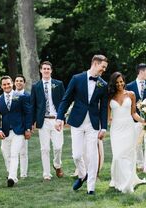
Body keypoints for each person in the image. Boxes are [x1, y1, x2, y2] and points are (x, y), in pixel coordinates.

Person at [56, 54, 108, 195]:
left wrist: (104, 127)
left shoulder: (103, 84)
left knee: (92, 154)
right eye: (103, 67)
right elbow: (66, 99)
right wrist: (59, 118)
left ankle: (91, 187)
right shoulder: (77, 79)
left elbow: (103, 107)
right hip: (77, 121)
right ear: (95, 64)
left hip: (93, 123)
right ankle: (83, 174)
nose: (104, 70)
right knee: (77, 155)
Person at [108, 72, 146, 193]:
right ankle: (119, 180)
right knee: (118, 156)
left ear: (124, 81)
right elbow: (108, 116)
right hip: (116, 128)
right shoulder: (110, 97)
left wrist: (143, 120)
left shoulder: (131, 94)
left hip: (129, 127)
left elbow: (133, 113)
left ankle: (127, 182)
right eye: (117, 82)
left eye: (121, 81)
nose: (120, 84)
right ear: (114, 84)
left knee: (128, 155)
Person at [0, 76, 32, 187]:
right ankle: (13, 175)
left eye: (8, 84)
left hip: (18, 130)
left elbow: (28, 113)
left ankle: (11, 177)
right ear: (1, 86)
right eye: (4, 84)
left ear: (12, 84)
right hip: (5, 132)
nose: (7, 86)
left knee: (14, 154)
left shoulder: (21, 97)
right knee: (6, 154)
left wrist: (28, 128)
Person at [31, 61, 65, 181]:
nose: (46, 71)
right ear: (41, 70)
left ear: (51, 70)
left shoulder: (58, 84)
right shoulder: (36, 86)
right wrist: (32, 122)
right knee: (44, 148)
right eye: (44, 69)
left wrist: (62, 118)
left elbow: (63, 102)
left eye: (48, 69)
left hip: (56, 119)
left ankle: (57, 164)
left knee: (58, 147)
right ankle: (46, 173)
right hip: (43, 120)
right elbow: (33, 105)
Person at [126, 63, 146, 174]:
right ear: (141, 71)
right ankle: (140, 164)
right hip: (135, 120)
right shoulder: (129, 86)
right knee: (137, 143)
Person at [14, 74, 31, 178]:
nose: (19, 82)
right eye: (17, 81)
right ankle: (12, 172)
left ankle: (23, 173)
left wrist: (28, 128)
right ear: (14, 83)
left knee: (23, 151)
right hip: (12, 127)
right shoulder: (10, 95)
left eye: (21, 81)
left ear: (24, 83)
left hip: (23, 126)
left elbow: (28, 113)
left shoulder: (28, 96)